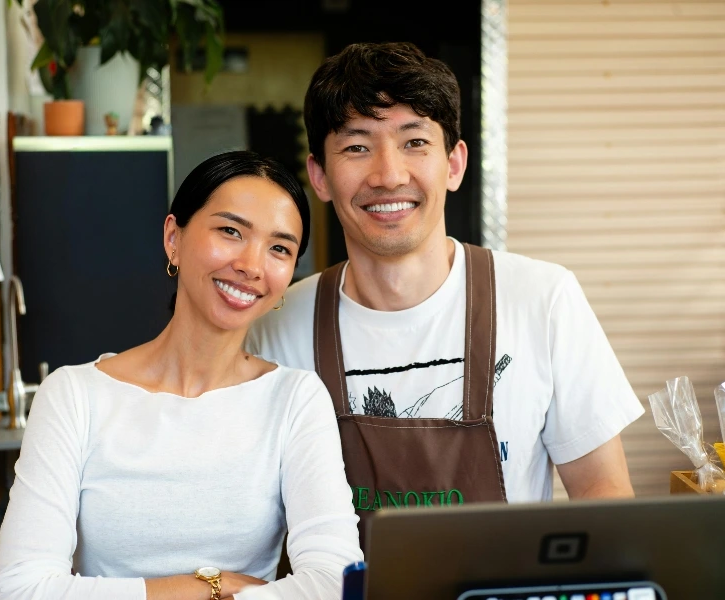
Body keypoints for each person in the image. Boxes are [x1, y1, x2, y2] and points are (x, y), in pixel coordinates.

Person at [246, 42, 645, 544]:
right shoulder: (275, 329)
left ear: (454, 164)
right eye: (357, 147)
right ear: (320, 177)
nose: (389, 175)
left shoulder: (543, 299)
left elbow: (602, 490)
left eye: (414, 142)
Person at [0, 151, 362, 600]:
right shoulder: (74, 396)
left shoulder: (295, 399)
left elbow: (335, 582)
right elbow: (20, 589)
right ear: (174, 238)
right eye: (230, 231)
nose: (252, 265)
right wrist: (210, 586)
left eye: (279, 248)